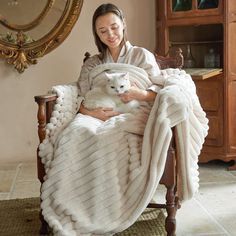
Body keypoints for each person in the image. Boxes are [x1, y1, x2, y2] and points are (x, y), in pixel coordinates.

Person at [77, 3, 161, 121]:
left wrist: (141, 94)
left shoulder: (142, 55)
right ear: (97, 34)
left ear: (123, 24)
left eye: (114, 27)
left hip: (136, 116)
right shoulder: (91, 64)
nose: (110, 34)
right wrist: (92, 114)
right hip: (96, 118)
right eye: (103, 31)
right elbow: (80, 97)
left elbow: (160, 90)